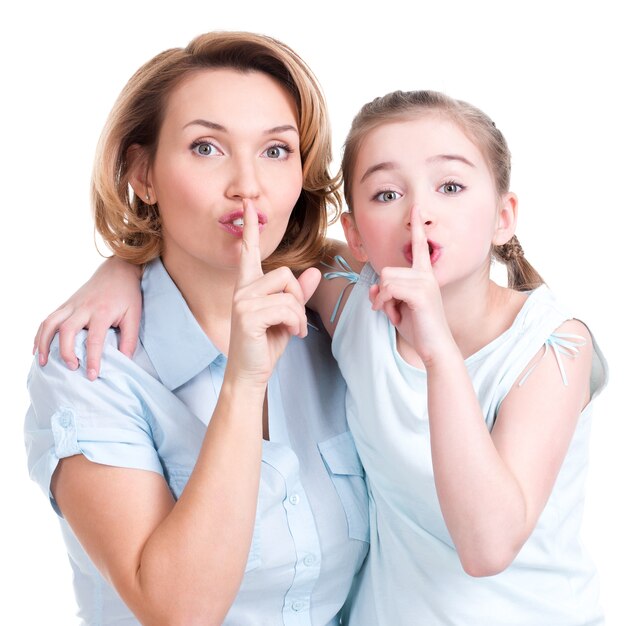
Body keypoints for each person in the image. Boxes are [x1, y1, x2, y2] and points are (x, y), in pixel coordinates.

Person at [34, 89, 608, 625]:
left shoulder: (554, 347)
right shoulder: (353, 305)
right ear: (356, 236)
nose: (418, 214)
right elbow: (226, 237)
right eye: (387, 194)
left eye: (451, 187)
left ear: (504, 216)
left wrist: (439, 354)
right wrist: (120, 269)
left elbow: (487, 547)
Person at [25, 31, 370, 626]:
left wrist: (121, 262)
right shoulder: (91, 366)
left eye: (276, 150)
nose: (247, 184)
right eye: (206, 148)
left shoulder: (333, 314)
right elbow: (176, 609)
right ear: (142, 172)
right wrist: (243, 379)